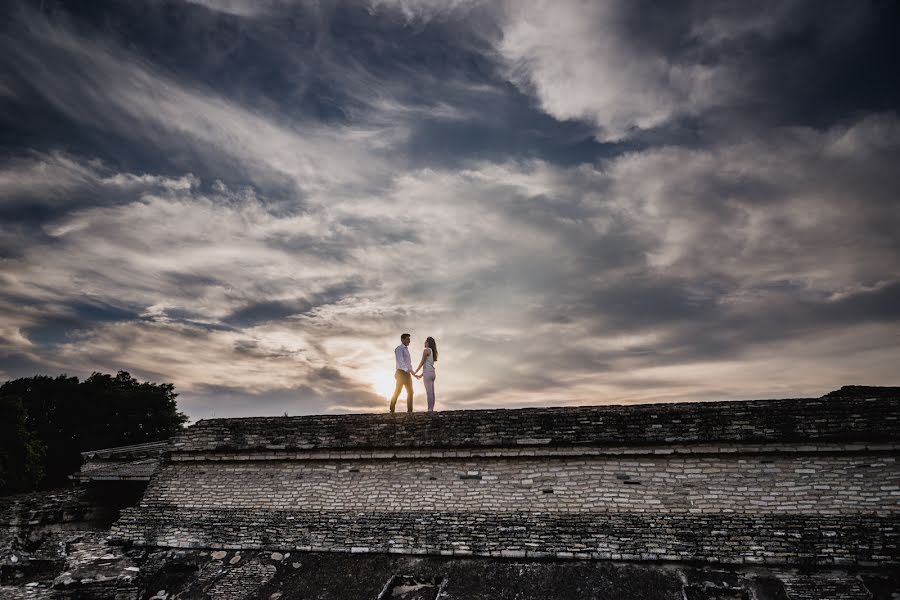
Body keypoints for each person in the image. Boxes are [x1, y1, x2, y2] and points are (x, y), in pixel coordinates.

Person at [389, 333, 414, 413]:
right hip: (401, 373)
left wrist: (412, 372)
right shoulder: (399, 348)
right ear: (402, 340)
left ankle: (410, 411)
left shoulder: (407, 350)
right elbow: (401, 361)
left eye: (409, 339)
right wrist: (406, 370)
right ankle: (391, 409)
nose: (409, 340)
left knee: (410, 391)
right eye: (407, 339)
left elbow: (408, 363)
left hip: (407, 373)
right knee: (398, 391)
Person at [412, 336, 438, 412]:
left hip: (428, 373)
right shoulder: (432, 352)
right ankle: (431, 409)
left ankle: (430, 410)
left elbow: (422, 362)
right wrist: (420, 375)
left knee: (429, 392)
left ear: (428, 343)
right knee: (432, 392)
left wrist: (415, 371)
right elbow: (427, 365)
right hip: (432, 373)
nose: (424, 343)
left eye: (425, 341)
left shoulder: (426, 350)